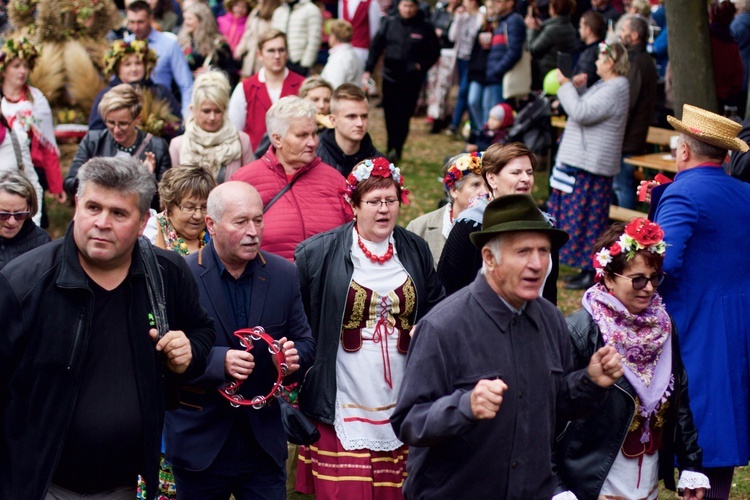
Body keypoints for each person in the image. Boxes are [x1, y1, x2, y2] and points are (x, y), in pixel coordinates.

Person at [0, 156, 214, 499]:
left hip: (132, 483)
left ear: (144, 219)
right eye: (93, 207)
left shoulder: (167, 273)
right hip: (44, 483)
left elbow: (202, 332)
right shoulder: (24, 283)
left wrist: (188, 352)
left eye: (118, 213)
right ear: (76, 206)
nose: (101, 222)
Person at [391, 194, 623, 498]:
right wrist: (464, 406)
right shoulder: (444, 326)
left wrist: (590, 382)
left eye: (543, 251)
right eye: (523, 251)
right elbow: (409, 422)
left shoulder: (552, 320)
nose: (537, 264)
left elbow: (555, 406)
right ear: (489, 258)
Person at [294, 157, 445, 498]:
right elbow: (298, 318)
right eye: (374, 202)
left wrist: (427, 329)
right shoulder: (318, 254)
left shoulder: (414, 249)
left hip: (401, 389)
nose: (383, 210)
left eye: (390, 201)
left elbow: (436, 304)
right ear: (353, 205)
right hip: (345, 391)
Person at [164, 181, 315, 499]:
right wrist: (219, 361)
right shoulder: (181, 276)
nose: (253, 231)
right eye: (241, 222)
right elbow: (165, 355)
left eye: (258, 220)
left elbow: (305, 342)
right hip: (200, 443)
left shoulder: (283, 274)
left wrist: (289, 360)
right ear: (211, 225)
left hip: (262, 445)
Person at [555, 218, 710, 499]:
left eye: (654, 277)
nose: (649, 288)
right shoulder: (581, 331)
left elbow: (680, 395)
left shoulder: (663, 325)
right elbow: (551, 414)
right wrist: (557, 487)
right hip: (594, 474)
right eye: (638, 279)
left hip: (646, 470)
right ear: (609, 278)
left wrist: (690, 464)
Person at [652, 104, 750, 499]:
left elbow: (663, 262)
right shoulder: (745, 192)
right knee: (727, 425)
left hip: (697, 325)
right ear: (724, 156)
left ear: (685, 152)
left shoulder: (683, 192)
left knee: (701, 424)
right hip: (740, 320)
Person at [547, 41, 630, 290]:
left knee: (588, 220)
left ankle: (589, 269)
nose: (595, 63)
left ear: (611, 62)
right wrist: (579, 89)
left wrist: (565, 87)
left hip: (591, 164)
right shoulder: (607, 85)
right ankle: (583, 267)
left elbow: (581, 113)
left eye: (599, 59)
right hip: (584, 161)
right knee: (578, 218)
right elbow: (589, 109)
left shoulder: (617, 86)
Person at [231, 96, 352, 260]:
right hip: (268, 282)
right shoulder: (244, 181)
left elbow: (352, 236)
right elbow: (232, 242)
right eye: (302, 135)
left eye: (314, 133)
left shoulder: (334, 180)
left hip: (325, 284)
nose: (312, 142)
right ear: (277, 139)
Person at [438, 142, 560, 304]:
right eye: (516, 173)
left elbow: (549, 291)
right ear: (492, 178)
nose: (525, 179)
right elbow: (449, 289)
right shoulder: (470, 225)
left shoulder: (544, 225)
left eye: (529, 173)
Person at [65, 84, 171, 209]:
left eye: (123, 124)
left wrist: (148, 178)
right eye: (110, 122)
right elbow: (69, 185)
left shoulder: (157, 147)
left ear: (137, 119)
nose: (116, 130)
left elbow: (164, 201)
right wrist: (87, 173)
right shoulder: (93, 141)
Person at [363, 0, 440, 162]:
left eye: (411, 6)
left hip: (411, 78)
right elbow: (376, 46)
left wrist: (421, 66)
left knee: (404, 114)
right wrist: (368, 68)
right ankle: (390, 145)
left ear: (417, 7)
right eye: (405, 6)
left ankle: (398, 148)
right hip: (390, 75)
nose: (408, 10)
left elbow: (434, 51)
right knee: (390, 113)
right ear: (399, 6)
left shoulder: (424, 26)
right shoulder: (390, 22)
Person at [0, 36, 65, 223]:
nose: (22, 71)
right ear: (4, 70)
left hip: (29, 170)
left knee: (33, 221)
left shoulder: (37, 100)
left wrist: (56, 185)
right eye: (16, 65)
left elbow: (48, 145)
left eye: (26, 66)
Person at [169, 71, 254, 183]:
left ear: (225, 111)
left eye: (217, 111)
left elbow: (251, 183)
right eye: (206, 111)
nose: (212, 117)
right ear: (193, 110)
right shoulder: (178, 145)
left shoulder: (242, 141)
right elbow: (173, 190)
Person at [229, 30, 306, 152]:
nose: (277, 56)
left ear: (287, 53)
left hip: (293, 158)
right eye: (271, 50)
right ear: (260, 55)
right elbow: (234, 130)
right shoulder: (245, 88)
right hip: (254, 160)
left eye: (281, 50)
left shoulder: (302, 85)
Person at [406, 152, 487, 268]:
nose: (485, 192)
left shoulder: (496, 226)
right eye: (476, 184)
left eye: (487, 185)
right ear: (454, 190)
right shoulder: (418, 229)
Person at [89, 39, 181, 138]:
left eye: (138, 63)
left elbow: (177, 124)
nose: (134, 69)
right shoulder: (106, 95)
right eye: (127, 65)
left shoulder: (161, 92)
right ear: (117, 68)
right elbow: (95, 131)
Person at [612, 14, 657, 210]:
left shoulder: (638, 62)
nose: (620, 34)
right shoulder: (638, 59)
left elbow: (627, 102)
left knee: (623, 185)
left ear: (635, 35)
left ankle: (626, 230)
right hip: (630, 136)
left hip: (629, 138)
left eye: (624, 30)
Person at [126, 0, 194, 119]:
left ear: (151, 18)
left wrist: (187, 116)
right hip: (130, 112)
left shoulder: (169, 44)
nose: (135, 27)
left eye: (140, 22)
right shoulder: (125, 46)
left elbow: (186, 84)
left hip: (162, 111)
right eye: (132, 22)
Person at [316, 83, 384, 177]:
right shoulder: (313, 156)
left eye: (364, 116)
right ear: (333, 120)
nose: (360, 123)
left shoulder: (379, 164)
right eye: (351, 116)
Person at [147, 164, 216, 255]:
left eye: (204, 207)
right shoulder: (151, 233)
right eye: (189, 207)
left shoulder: (215, 232)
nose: (198, 215)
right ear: (169, 205)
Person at [178, 2, 241, 86]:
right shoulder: (182, 43)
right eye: (185, 19)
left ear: (201, 21)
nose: (186, 22)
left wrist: (211, 72)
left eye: (189, 19)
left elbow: (232, 73)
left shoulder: (218, 45)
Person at [447, 0, 484, 135]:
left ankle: (458, 124)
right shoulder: (463, 16)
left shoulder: (481, 16)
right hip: (460, 59)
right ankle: (458, 124)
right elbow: (452, 37)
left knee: (464, 91)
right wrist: (457, 18)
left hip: (473, 61)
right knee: (463, 92)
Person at [0, 170, 50, 271]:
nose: (11, 221)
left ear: (29, 209)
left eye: (20, 214)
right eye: (3, 215)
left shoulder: (42, 243)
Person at [525, 0, 578, 90]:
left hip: (547, 76)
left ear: (553, 9)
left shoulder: (553, 30)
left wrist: (531, 29)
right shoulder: (570, 27)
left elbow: (532, 49)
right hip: (560, 73)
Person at [708, 0, 744, 114]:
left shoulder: (707, 40)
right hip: (723, 96)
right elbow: (738, 74)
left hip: (712, 94)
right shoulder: (731, 43)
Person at [271, 0, 322, 75]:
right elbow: (273, 37)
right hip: (280, 61)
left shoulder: (311, 10)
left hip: (299, 62)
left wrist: (305, 64)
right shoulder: (279, 11)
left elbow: (314, 40)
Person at [235, 0, 282, 78]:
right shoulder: (255, 12)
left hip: (264, 62)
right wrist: (240, 49)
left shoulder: (277, 13)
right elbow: (247, 33)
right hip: (249, 60)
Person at [321, 20, 364, 89]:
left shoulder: (340, 58)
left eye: (330, 35)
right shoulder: (350, 53)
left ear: (335, 37)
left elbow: (334, 85)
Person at [339, 0, 383, 66]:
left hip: (363, 51)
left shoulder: (371, 3)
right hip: (344, 49)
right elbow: (341, 26)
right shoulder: (343, 1)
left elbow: (374, 33)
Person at [572, 10, 606, 88]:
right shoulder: (604, 46)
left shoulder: (589, 54)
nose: (579, 30)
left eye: (581, 27)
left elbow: (580, 84)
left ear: (588, 30)